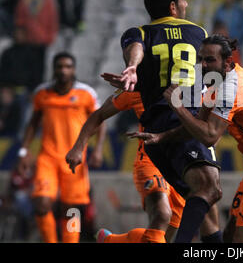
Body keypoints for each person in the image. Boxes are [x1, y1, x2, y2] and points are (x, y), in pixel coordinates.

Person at [131, 35, 243, 243]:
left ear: (227, 62)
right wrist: (162, 136)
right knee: (230, 235)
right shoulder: (218, 83)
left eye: (210, 60)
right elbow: (197, 126)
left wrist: (177, 106)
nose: (203, 65)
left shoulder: (233, 88)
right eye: (201, 59)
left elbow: (210, 136)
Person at [101, 0, 222, 243]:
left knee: (201, 206)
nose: (186, 3)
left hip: (157, 132)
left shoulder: (139, 33)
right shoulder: (199, 33)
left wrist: (132, 67)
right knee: (208, 191)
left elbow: (136, 50)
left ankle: (115, 241)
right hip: (183, 124)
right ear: (173, 6)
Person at [66, 89, 222, 243]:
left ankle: (112, 240)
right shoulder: (140, 87)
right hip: (150, 160)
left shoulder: (196, 86)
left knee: (163, 236)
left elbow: (212, 126)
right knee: (162, 214)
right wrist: (78, 147)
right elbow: (99, 114)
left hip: (182, 164)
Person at [17, 52, 106, 243]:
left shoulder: (86, 94)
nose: (63, 70)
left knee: (72, 209)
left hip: (75, 159)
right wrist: (24, 152)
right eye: (60, 66)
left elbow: (100, 121)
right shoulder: (42, 93)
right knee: (41, 204)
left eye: (67, 66)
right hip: (47, 158)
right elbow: (32, 124)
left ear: (73, 69)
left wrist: (98, 149)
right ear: (54, 69)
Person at [14, 0, 59, 90]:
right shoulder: (25, 0)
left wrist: (49, 37)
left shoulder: (48, 0)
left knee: (39, 69)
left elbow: (52, 20)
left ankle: (37, 90)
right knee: (26, 67)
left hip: (41, 40)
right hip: (27, 40)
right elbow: (19, 19)